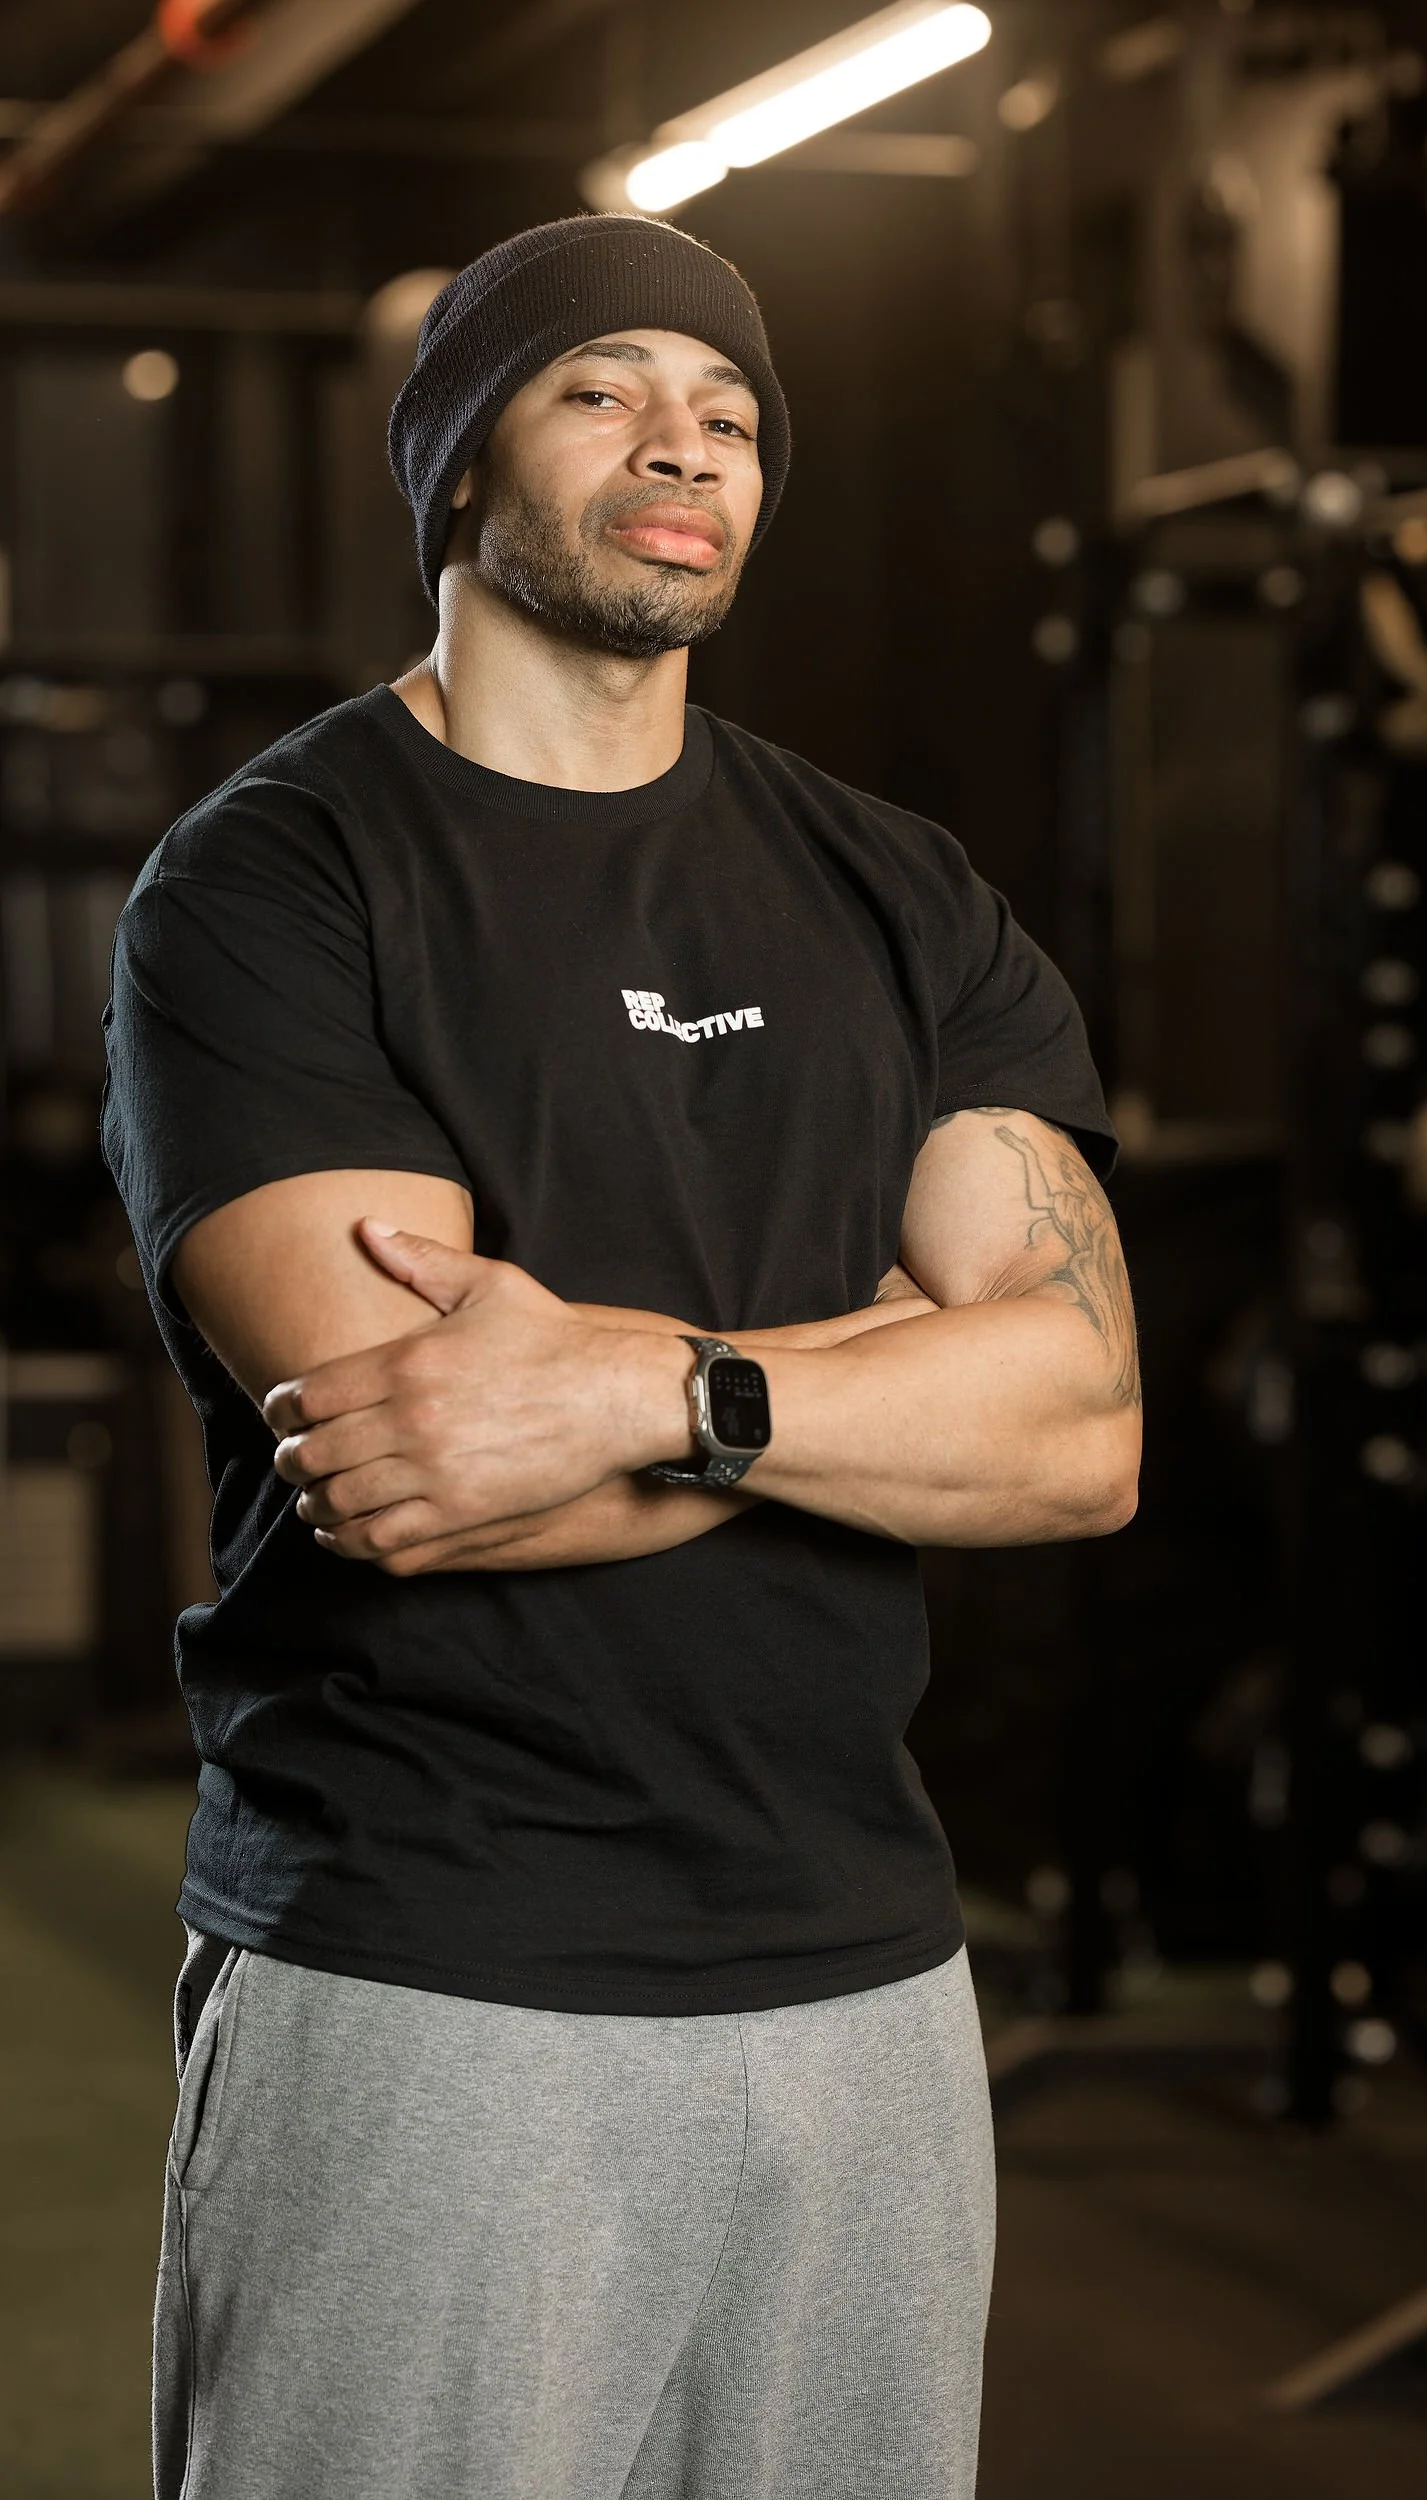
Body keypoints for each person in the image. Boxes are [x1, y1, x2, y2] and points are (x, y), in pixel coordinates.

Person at [101, 213, 1141, 2500]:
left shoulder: (894, 888)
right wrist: (889, 1363)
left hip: (861, 1983)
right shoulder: (273, 883)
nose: (688, 444)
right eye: (605, 389)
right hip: (435, 1974)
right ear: (461, 465)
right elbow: (420, 1464)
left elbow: (1074, 1425)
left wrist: (658, 1380)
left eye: (734, 411)